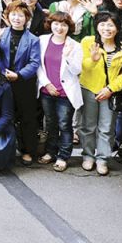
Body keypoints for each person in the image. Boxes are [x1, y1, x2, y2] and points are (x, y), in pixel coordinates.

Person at [0, 3, 41, 165]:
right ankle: (2, 148)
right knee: (3, 115)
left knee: (27, 118)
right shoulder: (1, 34)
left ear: (27, 19)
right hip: (2, 81)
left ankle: (28, 151)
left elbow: (34, 62)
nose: (16, 18)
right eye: (13, 15)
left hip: (23, 83)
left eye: (20, 16)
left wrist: (18, 75)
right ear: (8, 16)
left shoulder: (33, 39)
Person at [79, 13, 122, 176]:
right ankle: (88, 156)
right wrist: (92, 60)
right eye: (103, 24)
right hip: (89, 89)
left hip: (110, 92)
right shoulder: (88, 41)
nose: (106, 29)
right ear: (97, 26)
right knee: (88, 126)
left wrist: (110, 89)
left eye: (111, 25)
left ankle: (102, 159)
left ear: (117, 28)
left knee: (107, 127)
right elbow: (82, 67)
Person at [37, 11, 84, 172]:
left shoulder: (75, 46)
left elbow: (77, 70)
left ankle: (63, 156)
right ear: (50, 24)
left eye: (63, 25)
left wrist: (68, 56)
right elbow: (38, 65)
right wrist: (47, 84)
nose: (59, 27)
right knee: (50, 123)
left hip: (66, 93)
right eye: (56, 23)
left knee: (65, 124)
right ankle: (51, 151)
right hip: (46, 90)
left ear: (68, 27)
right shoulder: (42, 40)